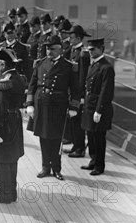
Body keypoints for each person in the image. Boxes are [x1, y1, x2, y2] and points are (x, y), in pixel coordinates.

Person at [26, 35, 81, 181]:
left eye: (52, 49)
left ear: (60, 50)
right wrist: (30, 105)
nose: (49, 51)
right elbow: (31, 86)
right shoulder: (39, 64)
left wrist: (73, 107)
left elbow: (75, 89)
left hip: (58, 105)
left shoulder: (68, 66)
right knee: (43, 137)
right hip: (42, 105)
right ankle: (45, 167)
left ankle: (56, 168)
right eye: (47, 48)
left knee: (56, 138)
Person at [0, 48, 26, 204]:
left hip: (4, 125)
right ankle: (11, 193)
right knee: (12, 158)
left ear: (3, 64)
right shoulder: (20, 78)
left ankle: (4, 195)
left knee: (1, 159)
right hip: (15, 120)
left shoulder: (4, 82)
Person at [81, 38, 115, 175]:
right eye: (89, 50)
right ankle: (93, 161)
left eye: (93, 49)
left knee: (99, 138)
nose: (90, 52)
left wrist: (99, 111)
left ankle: (99, 166)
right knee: (90, 135)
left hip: (99, 108)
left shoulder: (107, 68)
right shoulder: (93, 65)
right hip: (90, 106)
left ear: (101, 49)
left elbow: (106, 91)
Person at [61, 24, 91, 158]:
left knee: (78, 121)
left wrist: (81, 96)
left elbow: (83, 76)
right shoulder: (73, 51)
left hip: (78, 94)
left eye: (72, 37)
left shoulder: (83, 54)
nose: (69, 40)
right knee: (73, 120)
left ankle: (80, 148)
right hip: (72, 91)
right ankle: (75, 144)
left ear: (79, 38)